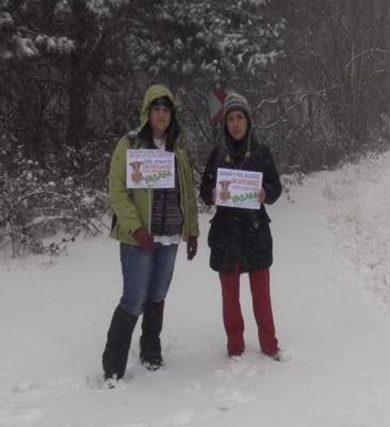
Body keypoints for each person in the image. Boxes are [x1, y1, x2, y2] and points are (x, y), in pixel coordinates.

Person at [102, 84, 199, 385]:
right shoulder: (129, 145)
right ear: (148, 112)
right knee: (134, 299)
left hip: (169, 235)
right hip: (139, 238)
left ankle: (150, 349)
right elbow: (117, 192)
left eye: (166, 110)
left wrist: (192, 231)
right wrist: (137, 228)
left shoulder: (177, 150)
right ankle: (113, 364)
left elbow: (188, 194)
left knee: (157, 295)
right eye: (156, 109)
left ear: (172, 115)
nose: (161, 115)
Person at [199, 92, 287, 361]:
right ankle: (235, 346)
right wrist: (212, 194)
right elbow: (204, 190)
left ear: (248, 121)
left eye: (240, 118)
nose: (235, 124)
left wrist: (265, 193)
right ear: (225, 124)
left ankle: (269, 344)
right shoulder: (217, 154)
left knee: (261, 296)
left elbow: (276, 186)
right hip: (226, 234)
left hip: (255, 231)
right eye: (231, 119)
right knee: (230, 297)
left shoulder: (261, 151)